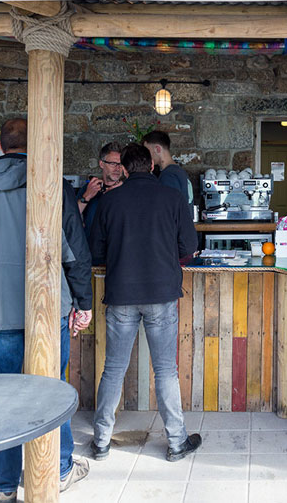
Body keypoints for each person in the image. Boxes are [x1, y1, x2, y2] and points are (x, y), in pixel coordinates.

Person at [0, 118, 93, 503]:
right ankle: (59, 470)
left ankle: (6, 484)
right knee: (51, 390)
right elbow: (75, 255)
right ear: (38, 142)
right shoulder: (54, 185)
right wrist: (84, 304)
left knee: (4, 395)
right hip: (47, 307)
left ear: (1, 146)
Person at [88, 143, 201, 463]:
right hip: (162, 294)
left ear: (123, 168)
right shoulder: (173, 199)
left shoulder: (110, 202)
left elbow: (96, 250)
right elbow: (189, 247)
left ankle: (100, 442)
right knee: (166, 371)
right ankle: (177, 442)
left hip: (121, 294)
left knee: (112, 370)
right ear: (152, 165)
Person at [76, 142, 123, 239]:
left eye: (121, 164)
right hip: (91, 250)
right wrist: (86, 197)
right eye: (113, 163)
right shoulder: (89, 188)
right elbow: (70, 217)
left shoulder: (127, 189)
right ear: (102, 164)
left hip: (117, 250)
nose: (117, 168)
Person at [141, 131, 193, 205]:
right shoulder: (179, 172)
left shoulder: (168, 176)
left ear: (157, 149)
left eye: (147, 151)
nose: (146, 156)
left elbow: (168, 210)